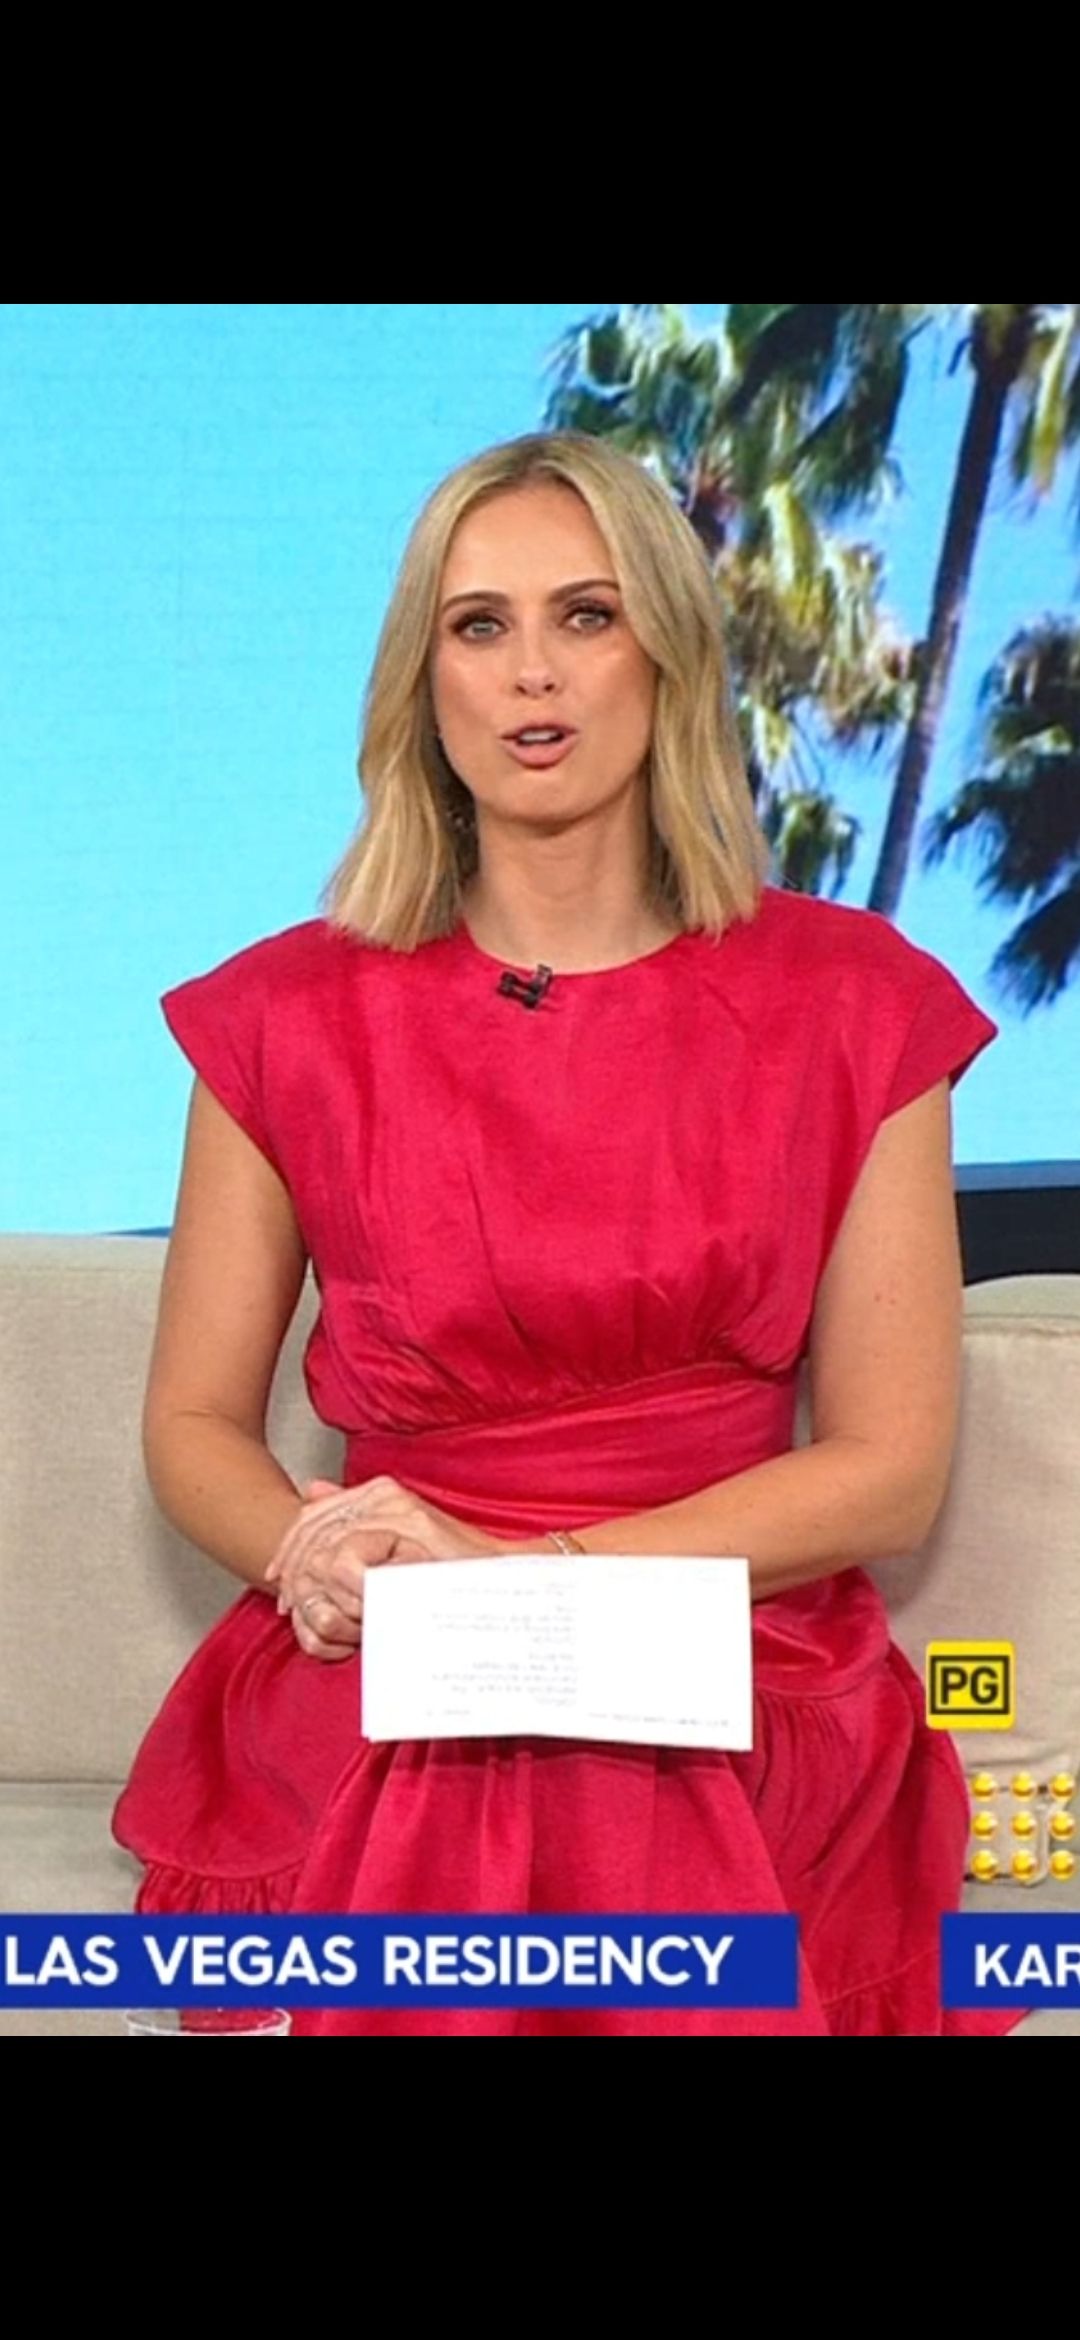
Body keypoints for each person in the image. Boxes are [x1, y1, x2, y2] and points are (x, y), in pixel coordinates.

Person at [112, 430, 1021, 2038]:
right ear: (425, 683)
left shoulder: (859, 1005)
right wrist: (311, 1553)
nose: (533, 672)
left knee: (592, 1750)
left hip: (729, 1633)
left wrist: (534, 1589)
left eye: (586, 616)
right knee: (464, 1744)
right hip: (391, 1639)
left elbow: (888, 1469)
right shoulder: (279, 1018)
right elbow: (192, 1425)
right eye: (480, 625)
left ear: (667, 656)